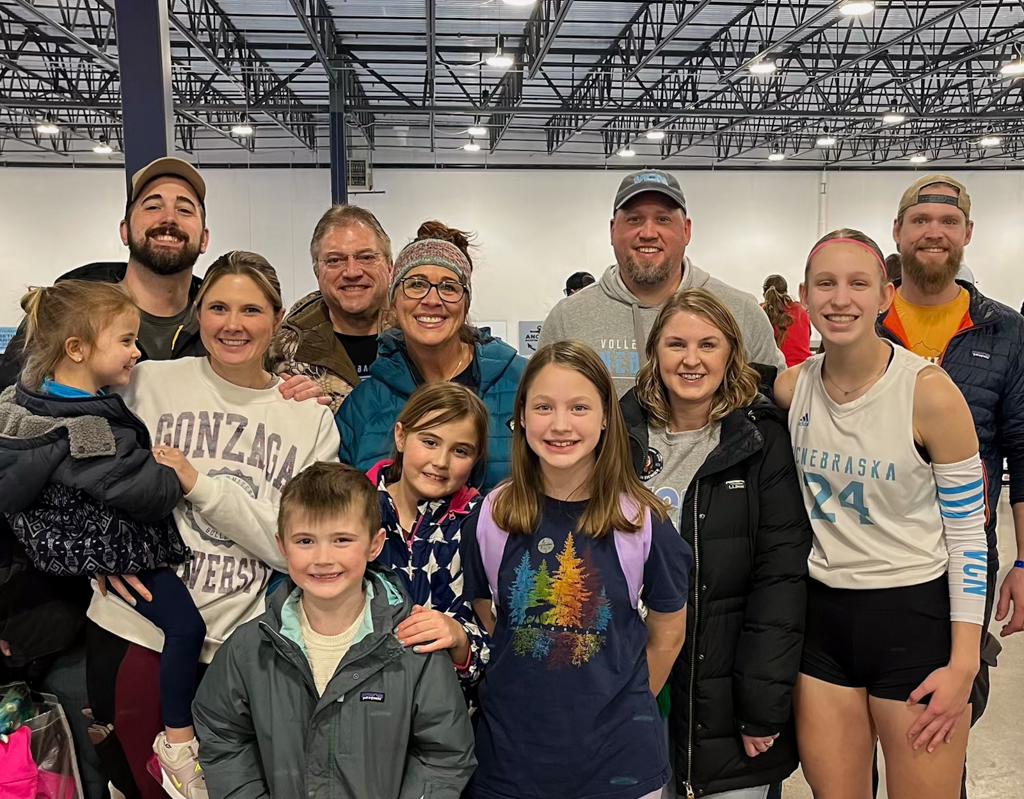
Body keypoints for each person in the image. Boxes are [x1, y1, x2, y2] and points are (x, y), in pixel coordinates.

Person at [84, 252, 340, 799]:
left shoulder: (309, 416)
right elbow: (69, 451)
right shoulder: (146, 382)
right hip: (134, 632)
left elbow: (294, 546)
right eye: (218, 307)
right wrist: (95, 548)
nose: (233, 324)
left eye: (251, 309)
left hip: (235, 649)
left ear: (277, 320)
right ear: (197, 315)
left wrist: (200, 485)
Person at [775, 229, 988, 799]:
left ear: (885, 296)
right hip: (821, 627)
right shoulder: (791, 390)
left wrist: (963, 663)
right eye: (826, 283)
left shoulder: (929, 392)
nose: (840, 298)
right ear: (804, 296)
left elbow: (970, 534)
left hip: (913, 624)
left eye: (857, 283)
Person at [0, 281, 210, 798]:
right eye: (126, 340)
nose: (137, 352)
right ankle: (178, 741)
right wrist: (168, 470)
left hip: (87, 557)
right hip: (119, 550)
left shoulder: (31, 402)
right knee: (186, 629)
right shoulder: (86, 426)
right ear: (77, 349)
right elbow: (144, 492)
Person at [460, 340, 692, 799]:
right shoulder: (492, 516)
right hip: (508, 763)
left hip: (618, 764)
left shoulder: (643, 523)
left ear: (606, 417)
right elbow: (489, 613)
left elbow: (668, 633)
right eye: (543, 406)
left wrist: (619, 703)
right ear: (522, 415)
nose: (560, 425)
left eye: (579, 407)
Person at [620, 288, 812, 799]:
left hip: (728, 700)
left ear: (731, 354)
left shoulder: (760, 440)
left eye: (708, 344)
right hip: (632, 685)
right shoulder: (618, 434)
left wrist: (761, 706)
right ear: (654, 352)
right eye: (676, 344)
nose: (691, 359)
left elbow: (781, 579)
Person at [193, 462, 476, 798]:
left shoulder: (414, 646)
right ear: (282, 547)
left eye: (342, 540)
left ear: (374, 544)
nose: (323, 558)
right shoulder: (248, 648)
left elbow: (444, 755)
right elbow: (223, 736)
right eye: (305, 541)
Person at [882, 175, 1024, 775]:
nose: (932, 232)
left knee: (939, 733)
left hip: (962, 560)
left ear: (967, 234)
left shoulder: (1005, 330)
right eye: (919, 221)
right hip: (868, 558)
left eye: (946, 222)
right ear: (899, 233)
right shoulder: (864, 318)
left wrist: (1022, 562)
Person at [538, 169, 785, 397]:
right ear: (613, 230)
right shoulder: (568, 319)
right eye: (634, 219)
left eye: (663, 219)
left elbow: (773, 413)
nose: (648, 232)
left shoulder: (741, 312)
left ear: (686, 231)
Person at [336, 221, 526, 491]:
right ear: (394, 299)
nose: (432, 300)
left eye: (449, 287)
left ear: (465, 301)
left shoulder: (521, 383)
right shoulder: (363, 407)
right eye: (416, 284)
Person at [369, 382, 491, 697]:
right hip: (364, 707)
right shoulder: (354, 507)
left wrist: (461, 641)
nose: (441, 461)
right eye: (429, 441)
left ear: (476, 459)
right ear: (400, 436)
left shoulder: (483, 524)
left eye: (460, 450)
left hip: (449, 714)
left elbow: (499, 640)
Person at [270, 205, 394, 412]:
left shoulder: (420, 336)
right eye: (335, 260)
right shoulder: (285, 349)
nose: (352, 272)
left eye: (366, 257)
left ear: (390, 267)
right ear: (317, 272)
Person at [761, 275, 812, 367]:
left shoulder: (759, 311)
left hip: (775, 373)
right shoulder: (802, 310)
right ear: (786, 292)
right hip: (804, 370)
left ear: (764, 294)